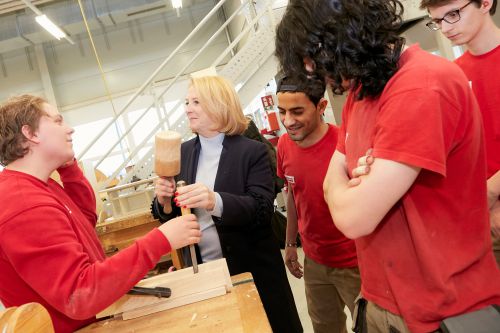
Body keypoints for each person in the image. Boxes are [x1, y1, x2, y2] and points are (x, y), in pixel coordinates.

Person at [275, 1, 500, 333]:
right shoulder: (361, 92)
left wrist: (352, 185)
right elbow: (329, 183)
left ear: (343, 38)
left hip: (441, 308)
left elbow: (354, 219)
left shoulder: (420, 85)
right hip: (381, 297)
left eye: (318, 61)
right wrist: (352, 185)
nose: (318, 75)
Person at [0, 95, 201, 333]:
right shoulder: (24, 203)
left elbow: (83, 220)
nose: (69, 129)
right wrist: (161, 240)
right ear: (31, 134)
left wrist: (67, 165)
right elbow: (79, 294)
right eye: (57, 121)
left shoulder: (38, 186)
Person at [150, 75, 303, 333]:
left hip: (253, 271)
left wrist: (215, 201)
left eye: (196, 101)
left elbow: (262, 210)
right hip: (206, 275)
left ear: (219, 105)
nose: (187, 108)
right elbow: (172, 215)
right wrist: (164, 201)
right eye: (187, 101)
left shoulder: (251, 152)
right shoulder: (183, 152)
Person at [276, 74, 360, 333]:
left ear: (321, 107)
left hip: (356, 262)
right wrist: (291, 244)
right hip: (314, 261)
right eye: (282, 112)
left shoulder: (346, 143)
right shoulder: (283, 145)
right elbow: (293, 196)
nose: (288, 121)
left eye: (297, 111)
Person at [420, 0, 500, 264]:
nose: (445, 28)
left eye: (453, 14)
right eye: (438, 20)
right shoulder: (454, 75)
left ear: (485, 3)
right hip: (481, 219)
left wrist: (490, 194)